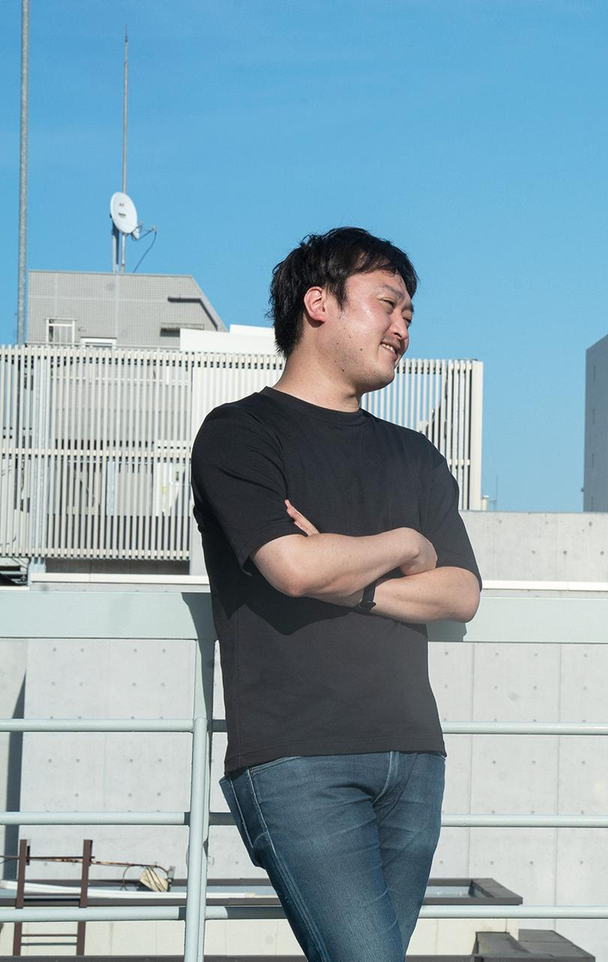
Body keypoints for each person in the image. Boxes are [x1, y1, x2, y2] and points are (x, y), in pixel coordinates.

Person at [191, 227, 482, 962]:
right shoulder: (238, 434)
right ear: (318, 303)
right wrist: (405, 545)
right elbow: (292, 568)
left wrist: (350, 579)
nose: (402, 328)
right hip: (297, 759)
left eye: (409, 314)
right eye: (387, 304)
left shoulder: (414, 454)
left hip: (413, 756)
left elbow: (460, 593)